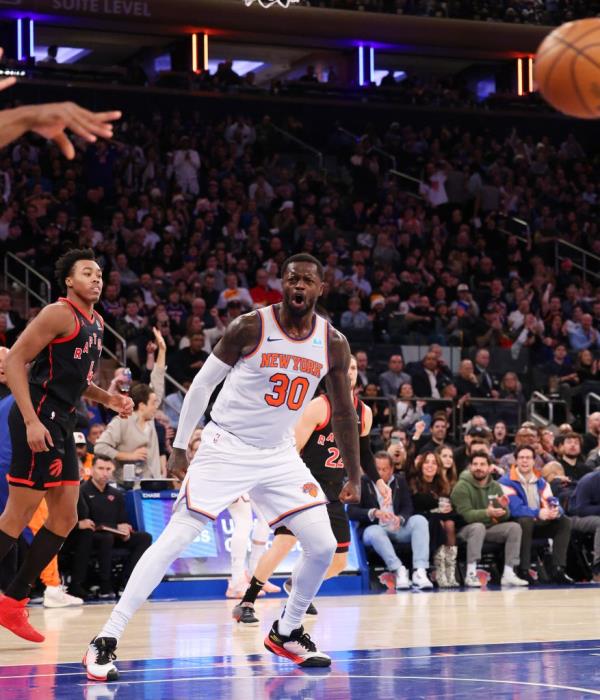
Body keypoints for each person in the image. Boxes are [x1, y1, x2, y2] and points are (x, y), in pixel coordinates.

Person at [84, 253, 362, 679]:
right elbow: (202, 385)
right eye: (292, 279)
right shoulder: (251, 326)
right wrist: (179, 444)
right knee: (174, 540)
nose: (299, 287)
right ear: (281, 284)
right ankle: (105, 639)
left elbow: (343, 412)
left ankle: (287, 630)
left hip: (278, 453)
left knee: (323, 545)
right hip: (225, 446)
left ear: (321, 288)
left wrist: (355, 473)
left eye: (308, 280)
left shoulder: (333, 343)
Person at [0, 248, 133, 643]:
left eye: (100, 274)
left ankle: (12, 603)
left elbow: (77, 381)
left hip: (64, 420)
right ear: (69, 281)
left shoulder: (97, 323)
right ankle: (12, 603)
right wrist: (29, 421)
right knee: (17, 516)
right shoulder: (57, 314)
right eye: (87, 273)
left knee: (64, 519)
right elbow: (14, 364)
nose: (97, 279)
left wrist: (108, 400)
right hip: (39, 414)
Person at [232, 354, 392, 624]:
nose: (349, 373)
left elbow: (364, 452)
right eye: (344, 368)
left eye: (353, 368)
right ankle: (247, 600)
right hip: (305, 486)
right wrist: (289, 484)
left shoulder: (364, 412)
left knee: (339, 561)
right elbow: (292, 449)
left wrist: (378, 481)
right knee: (285, 541)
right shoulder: (319, 407)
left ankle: (297, 587)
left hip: (335, 491)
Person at [68, 456, 152, 600]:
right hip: (92, 536)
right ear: (92, 470)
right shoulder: (82, 491)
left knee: (144, 538)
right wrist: (114, 527)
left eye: (108, 469)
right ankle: (104, 585)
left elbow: (122, 521)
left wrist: (125, 528)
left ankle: (126, 583)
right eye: (101, 469)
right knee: (104, 538)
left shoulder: (116, 494)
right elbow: (89, 523)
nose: (105, 473)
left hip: (114, 534)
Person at [348, 452, 432, 590]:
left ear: (392, 469)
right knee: (375, 532)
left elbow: (408, 506)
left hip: (397, 527)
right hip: (373, 528)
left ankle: (420, 571)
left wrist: (400, 518)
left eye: (384, 469)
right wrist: (374, 512)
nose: (380, 473)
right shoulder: (361, 482)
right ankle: (399, 570)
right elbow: (351, 511)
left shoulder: (400, 481)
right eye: (377, 469)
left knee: (420, 520)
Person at [451, 453, 528, 588]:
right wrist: (487, 512)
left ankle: (509, 573)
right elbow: (466, 515)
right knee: (478, 527)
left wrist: (502, 508)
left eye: (482, 464)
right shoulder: (461, 486)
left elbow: (505, 516)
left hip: (488, 528)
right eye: (475, 464)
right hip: (464, 530)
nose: (478, 468)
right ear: (470, 467)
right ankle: (470, 574)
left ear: (489, 468)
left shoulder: (495, 486)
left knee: (514, 527)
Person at [499, 446, 573, 585]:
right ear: (516, 461)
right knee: (525, 520)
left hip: (538, 521)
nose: (525, 461)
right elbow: (515, 509)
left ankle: (558, 569)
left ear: (534, 461)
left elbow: (551, 500)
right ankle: (523, 570)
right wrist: (538, 513)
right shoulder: (505, 481)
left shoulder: (541, 481)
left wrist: (555, 511)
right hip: (517, 524)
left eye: (528, 458)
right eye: (521, 458)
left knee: (564, 521)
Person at [409, 451, 458, 588]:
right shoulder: (413, 482)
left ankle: (449, 570)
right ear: (420, 465)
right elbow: (415, 507)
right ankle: (436, 568)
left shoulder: (442, 484)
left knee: (449, 523)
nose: (430, 466)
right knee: (439, 523)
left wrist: (448, 509)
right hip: (419, 521)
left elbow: (448, 509)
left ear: (438, 467)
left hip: (438, 519)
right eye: (426, 462)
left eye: (434, 463)